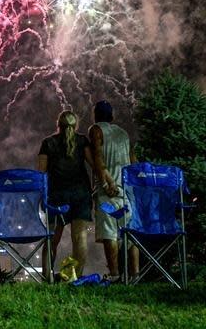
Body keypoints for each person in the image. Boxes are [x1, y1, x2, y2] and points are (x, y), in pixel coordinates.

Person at [37, 110, 94, 279]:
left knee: (52, 239)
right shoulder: (83, 141)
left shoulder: (48, 143)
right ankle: (74, 278)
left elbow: (41, 172)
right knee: (80, 238)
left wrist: (42, 196)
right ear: (75, 125)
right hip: (81, 194)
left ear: (58, 125)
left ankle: (47, 277)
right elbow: (94, 164)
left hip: (57, 196)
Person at [89, 100, 139, 280]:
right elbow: (133, 161)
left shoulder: (95, 130)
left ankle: (115, 274)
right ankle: (135, 274)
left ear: (95, 115)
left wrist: (106, 183)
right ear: (112, 116)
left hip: (108, 190)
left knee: (109, 232)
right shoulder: (123, 133)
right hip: (125, 190)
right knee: (129, 233)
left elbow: (97, 158)